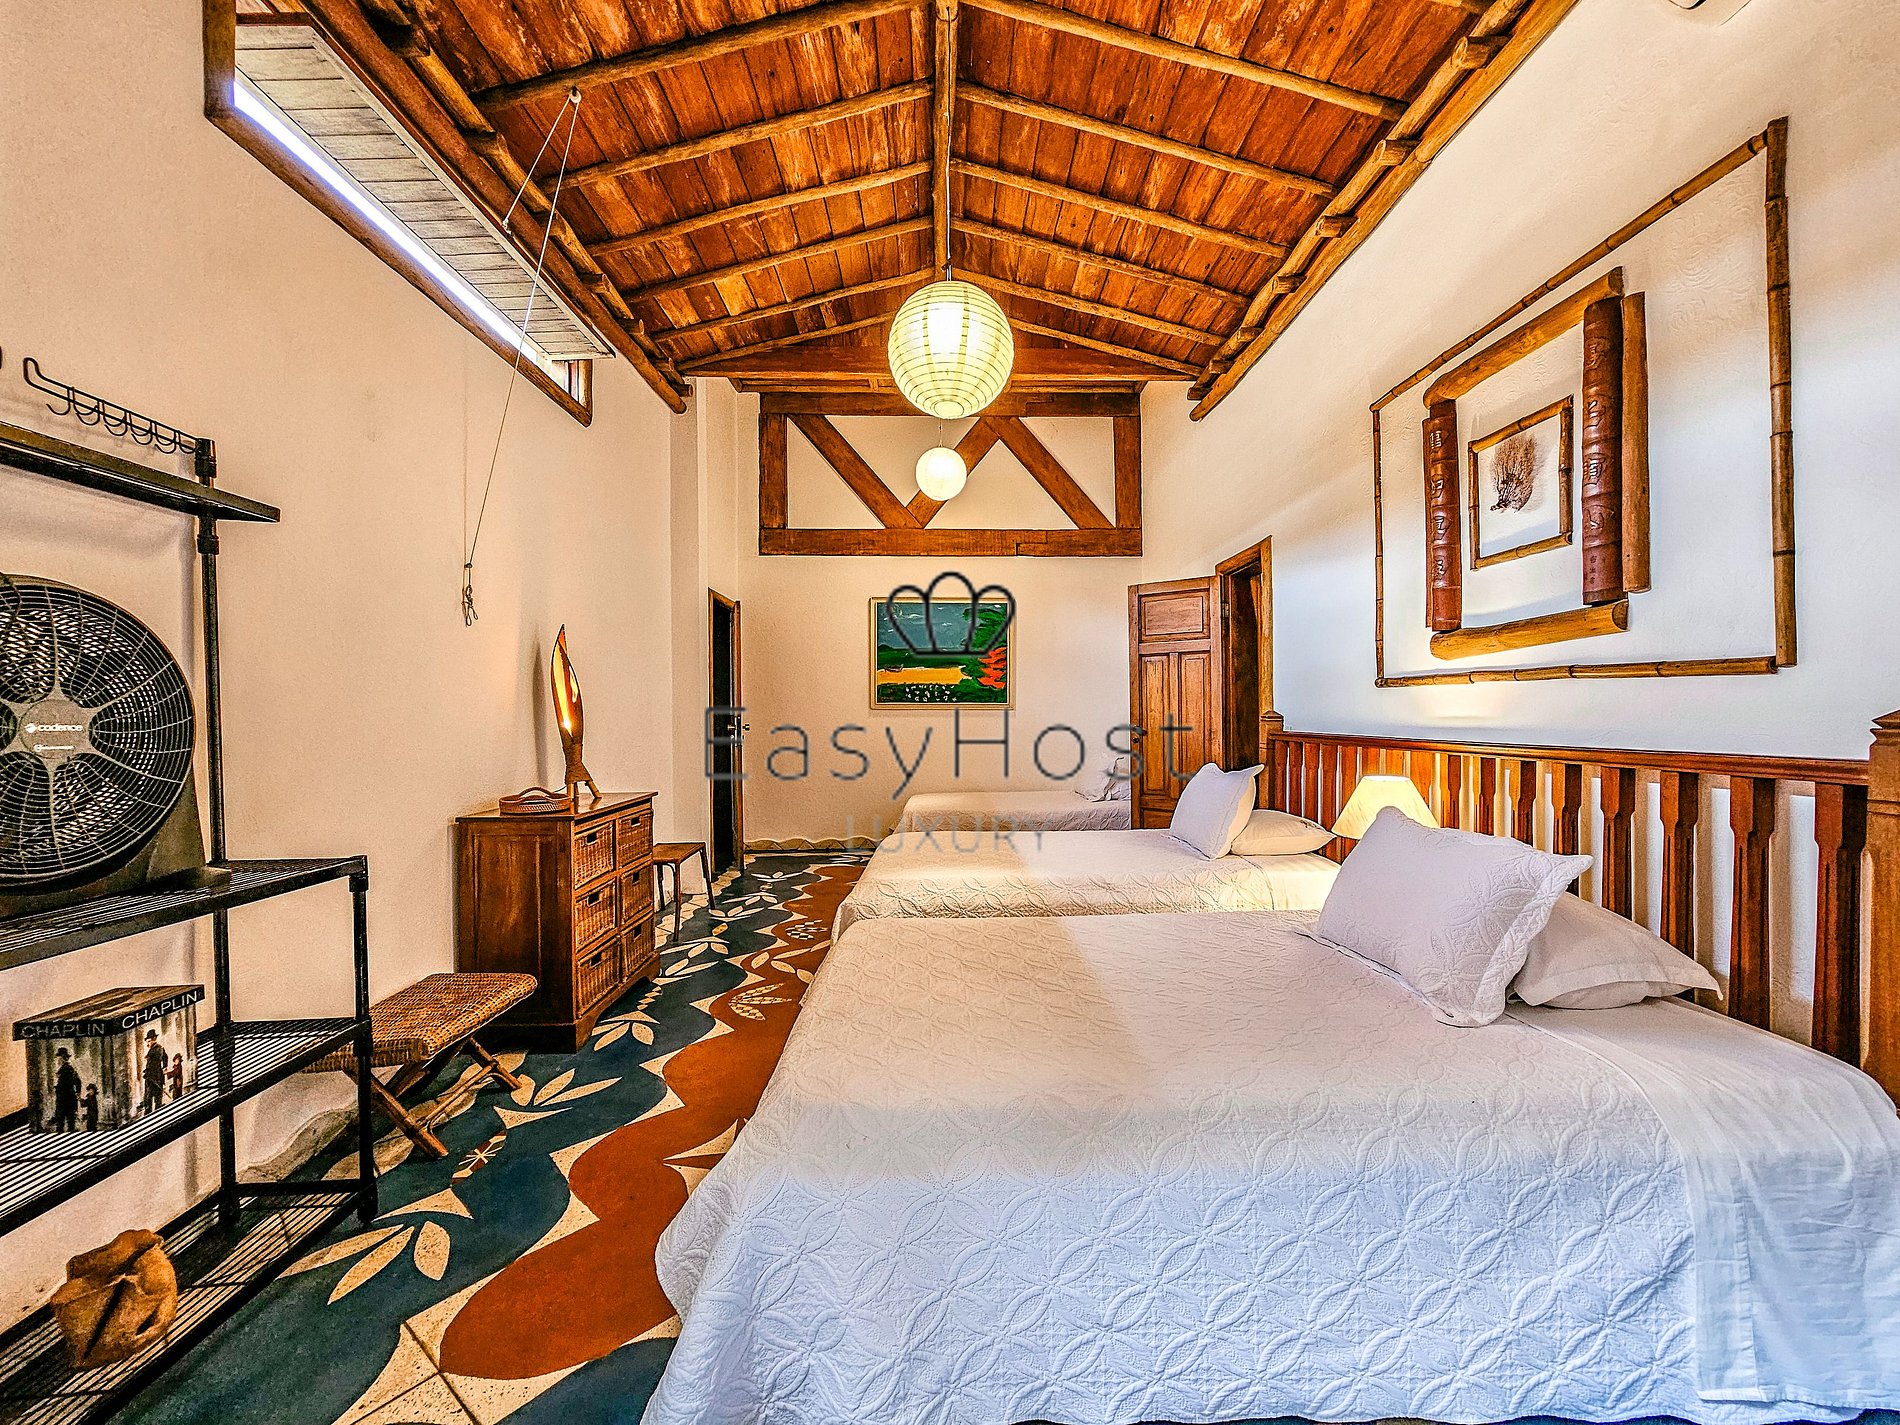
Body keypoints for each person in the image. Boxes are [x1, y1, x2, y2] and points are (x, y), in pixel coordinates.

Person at [52, 1047, 80, 1132]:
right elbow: (77, 1081)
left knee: (64, 1120)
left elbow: (72, 1082)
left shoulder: (67, 1069)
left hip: (65, 1099)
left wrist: (58, 1087)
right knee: (66, 1120)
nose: (57, 1060)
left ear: (62, 1058)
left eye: (59, 1058)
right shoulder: (64, 1069)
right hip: (66, 1098)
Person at [142, 1029, 167, 1116]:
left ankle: (149, 1115)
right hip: (156, 1077)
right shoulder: (159, 1048)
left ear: (154, 1039)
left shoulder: (155, 1050)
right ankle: (157, 1114)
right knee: (156, 1098)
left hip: (152, 1078)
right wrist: (165, 1067)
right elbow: (165, 1057)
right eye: (147, 1041)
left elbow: (152, 1065)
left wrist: (147, 1072)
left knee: (149, 1098)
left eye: (149, 1041)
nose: (147, 1044)